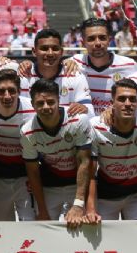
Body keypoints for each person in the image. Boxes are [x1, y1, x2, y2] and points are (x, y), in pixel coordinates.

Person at [88, 79, 137, 223]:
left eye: (132, 99)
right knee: (102, 239)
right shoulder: (95, 126)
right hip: (106, 193)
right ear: (112, 103)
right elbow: (90, 173)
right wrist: (90, 210)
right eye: (122, 99)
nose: (128, 104)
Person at [21, 79, 93, 227]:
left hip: (77, 184)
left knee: (81, 228)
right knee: (45, 229)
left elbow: (84, 162)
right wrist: (42, 210)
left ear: (59, 100)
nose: (46, 107)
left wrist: (79, 204)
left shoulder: (78, 120)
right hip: (50, 186)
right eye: (40, 103)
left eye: (51, 102)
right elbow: (33, 172)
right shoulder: (27, 132)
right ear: (33, 105)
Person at [0, 70, 34, 221]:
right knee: (0, 227)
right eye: (1, 91)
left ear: (20, 91)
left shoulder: (32, 110)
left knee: (31, 226)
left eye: (12, 91)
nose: (7, 96)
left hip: (26, 177)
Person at [72, 18, 137, 114]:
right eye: (91, 39)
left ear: (109, 40)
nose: (98, 43)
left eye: (102, 38)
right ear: (83, 43)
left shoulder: (130, 66)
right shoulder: (74, 63)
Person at [21, 29, 93, 116]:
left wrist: (85, 109)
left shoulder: (75, 76)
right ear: (34, 51)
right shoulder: (23, 76)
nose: (50, 53)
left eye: (55, 48)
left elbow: (90, 113)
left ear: (61, 52)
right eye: (44, 48)